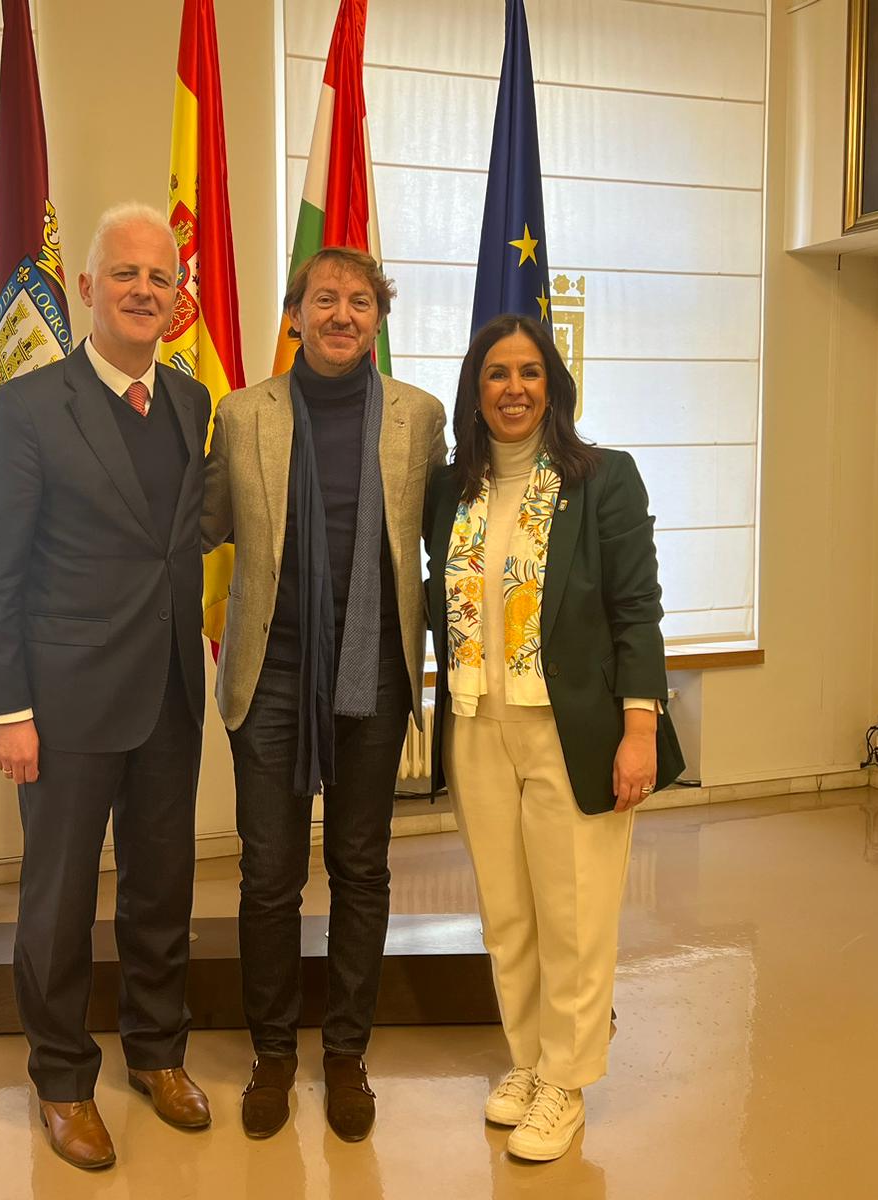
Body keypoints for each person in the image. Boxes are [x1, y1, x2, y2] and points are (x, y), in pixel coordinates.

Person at [0, 202, 213, 1171]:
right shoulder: (27, 408)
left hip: (165, 696)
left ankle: (156, 1053)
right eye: (126, 275)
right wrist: (9, 710)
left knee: (161, 892)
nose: (145, 291)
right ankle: (62, 1081)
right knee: (59, 904)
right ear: (86, 288)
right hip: (60, 711)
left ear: (175, 294)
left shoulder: (191, 404)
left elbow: (180, 544)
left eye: (160, 277)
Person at [422, 313, 684, 1163]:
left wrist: (639, 729)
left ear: (554, 385)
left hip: (572, 731)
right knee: (508, 915)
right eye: (496, 374)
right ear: (476, 388)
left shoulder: (603, 479)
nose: (513, 389)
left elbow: (636, 609)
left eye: (530, 372)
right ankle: (530, 1062)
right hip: (475, 726)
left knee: (574, 913)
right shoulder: (449, 491)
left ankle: (567, 1083)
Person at [202, 246, 447, 1142]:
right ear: (295, 314)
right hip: (270, 675)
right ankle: (274, 1053)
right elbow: (200, 524)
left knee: (361, 869)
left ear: (378, 316)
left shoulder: (419, 417)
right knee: (269, 877)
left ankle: (345, 1052)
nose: (342, 313)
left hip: (373, 678)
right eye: (324, 299)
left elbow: (448, 537)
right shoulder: (242, 415)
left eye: (359, 300)